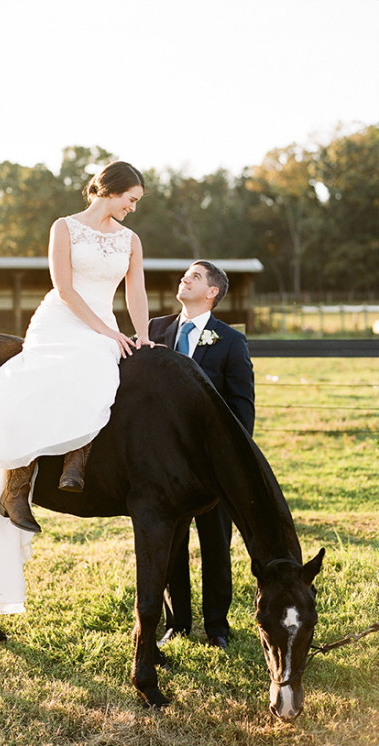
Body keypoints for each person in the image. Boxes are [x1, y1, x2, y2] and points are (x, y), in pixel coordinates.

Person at [0, 161, 154, 615]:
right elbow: (64, 288)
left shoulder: (130, 241)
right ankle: (17, 482)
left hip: (103, 323)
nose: (133, 209)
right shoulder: (64, 227)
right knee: (74, 362)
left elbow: (135, 292)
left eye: (135, 202)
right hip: (63, 319)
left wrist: (139, 332)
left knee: (106, 360)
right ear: (110, 190)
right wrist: (104, 331)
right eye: (130, 199)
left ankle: (75, 460)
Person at [148, 260, 255, 650]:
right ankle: (176, 623)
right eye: (184, 275)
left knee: (215, 546)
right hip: (162, 463)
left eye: (195, 276)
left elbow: (242, 410)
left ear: (212, 292)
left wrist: (230, 464)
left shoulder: (230, 341)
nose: (185, 279)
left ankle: (217, 627)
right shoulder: (153, 330)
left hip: (212, 466)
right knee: (168, 543)